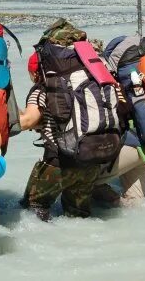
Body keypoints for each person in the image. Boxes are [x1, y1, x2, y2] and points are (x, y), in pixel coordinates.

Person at [18, 52, 101, 221]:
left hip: (58, 164)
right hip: (90, 162)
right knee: (78, 218)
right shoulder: (84, 86)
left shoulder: (42, 89)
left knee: (32, 210)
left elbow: (27, 121)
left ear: (35, 73)